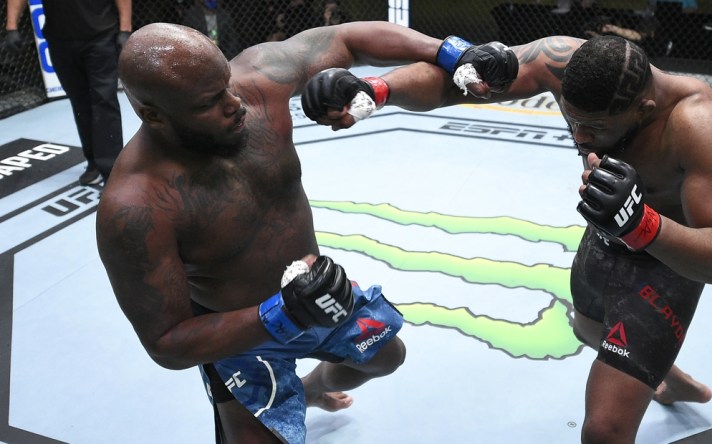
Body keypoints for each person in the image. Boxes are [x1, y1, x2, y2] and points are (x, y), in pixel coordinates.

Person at [304, 35, 712, 443]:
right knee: (586, 327)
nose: (579, 137)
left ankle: (651, 370)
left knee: (604, 430)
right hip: (605, 236)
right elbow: (455, 82)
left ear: (644, 110)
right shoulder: (561, 62)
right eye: (573, 120)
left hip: (668, 262)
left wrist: (643, 224)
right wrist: (378, 91)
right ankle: (667, 377)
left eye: (594, 128)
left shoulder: (698, 125)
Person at [96, 21, 514, 444]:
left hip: (316, 290)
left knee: (387, 355)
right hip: (234, 331)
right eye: (210, 102)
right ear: (153, 115)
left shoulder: (256, 82)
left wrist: (452, 51)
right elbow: (166, 343)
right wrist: (284, 313)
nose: (234, 102)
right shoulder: (136, 205)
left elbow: (347, 39)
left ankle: (312, 390)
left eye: (226, 83)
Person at [3, 0, 132, 186]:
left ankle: (112, 172)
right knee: (79, 101)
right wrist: (12, 26)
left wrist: (125, 29)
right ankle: (94, 163)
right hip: (60, 40)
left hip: (100, 35)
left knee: (103, 100)